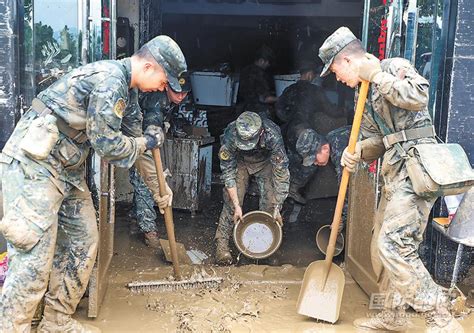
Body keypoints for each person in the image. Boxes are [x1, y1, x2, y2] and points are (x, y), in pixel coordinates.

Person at [0, 35, 186, 332]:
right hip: (35, 165)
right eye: (164, 82)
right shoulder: (110, 79)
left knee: (83, 241)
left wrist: (158, 190)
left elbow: (141, 150)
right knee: (32, 258)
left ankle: (56, 321)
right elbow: (109, 146)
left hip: (67, 168)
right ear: (149, 66)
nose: (163, 90)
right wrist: (147, 140)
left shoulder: (130, 93)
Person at [319, 27, 463, 332]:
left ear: (347, 60)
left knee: (395, 243)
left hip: (418, 168)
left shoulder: (391, 68)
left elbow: (419, 96)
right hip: (395, 172)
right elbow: (379, 140)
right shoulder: (364, 92)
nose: (337, 79)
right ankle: (392, 315)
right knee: (378, 247)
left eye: (335, 71)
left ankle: (440, 316)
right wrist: (356, 151)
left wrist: (378, 76)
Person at [215, 111, 289, 264]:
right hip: (240, 162)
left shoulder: (272, 135)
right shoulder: (230, 134)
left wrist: (278, 205)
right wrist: (237, 205)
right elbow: (228, 172)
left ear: (261, 132)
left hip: (265, 162)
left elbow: (281, 172)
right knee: (231, 202)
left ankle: (267, 249)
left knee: (271, 202)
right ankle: (221, 245)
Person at [127, 72, 191, 248]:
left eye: (184, 93)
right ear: (167, 86)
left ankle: (135, 219)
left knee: (144, 184)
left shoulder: (173, 99)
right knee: (145, 183)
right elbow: (150, 131)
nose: (180, 96)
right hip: (139, 141)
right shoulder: (156, 102)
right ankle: (149, 232)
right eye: (176, 92)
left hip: (148, 139)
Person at [293, 126, 350, 229]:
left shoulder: (339, 150)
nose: (315, 163)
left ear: (324, 149)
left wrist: (342, 218)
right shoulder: (330, 139)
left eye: (314, 159)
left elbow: (346, 187)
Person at [237, 45, 278, 118]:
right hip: (257, 112)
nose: (268, 65)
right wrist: (281, 98)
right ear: (261, 60)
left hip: (242, 110)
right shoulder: (259, 73)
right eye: (268, 62)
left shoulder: (245, 70)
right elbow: (264, 98)